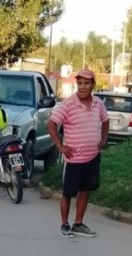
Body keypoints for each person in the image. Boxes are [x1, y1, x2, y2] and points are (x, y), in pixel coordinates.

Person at [47, 69, 109, 238]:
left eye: (86, 83)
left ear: (93, 85)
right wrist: (61, 146)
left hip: (93, 157)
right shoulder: (67, 104)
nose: (82, 87)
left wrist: (103, 140)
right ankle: (65, 224)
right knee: (68, 193)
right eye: (79, 83)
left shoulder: (98, 103)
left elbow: (105, 121)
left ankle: (78, 224)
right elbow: (51, 124)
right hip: (73, 159)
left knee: (86, 190)